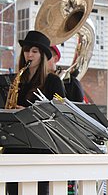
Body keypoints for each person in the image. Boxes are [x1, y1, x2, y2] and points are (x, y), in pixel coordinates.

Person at [4, 30, 66, 195]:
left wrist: (28, 112)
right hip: (15, 148)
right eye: (26, 50)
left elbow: (61, 117)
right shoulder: (15, 81)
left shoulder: (53, 81)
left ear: (43, 55)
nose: (29, 55)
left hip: (40, 148)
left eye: (34, 51)